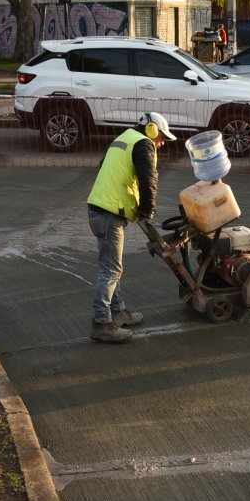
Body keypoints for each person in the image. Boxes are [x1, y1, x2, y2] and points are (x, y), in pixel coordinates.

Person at [86, 112, 177, 343]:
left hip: (100, 209)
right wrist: (148, 209)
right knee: (110, 270)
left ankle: (118, 313)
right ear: (152, 130)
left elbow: (105, 169)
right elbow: (149, 179)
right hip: (109, 213)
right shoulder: (144, 144)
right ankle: (102, 324)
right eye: (162, 137)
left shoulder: (124, 138)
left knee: (112, 268)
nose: (162, 143)